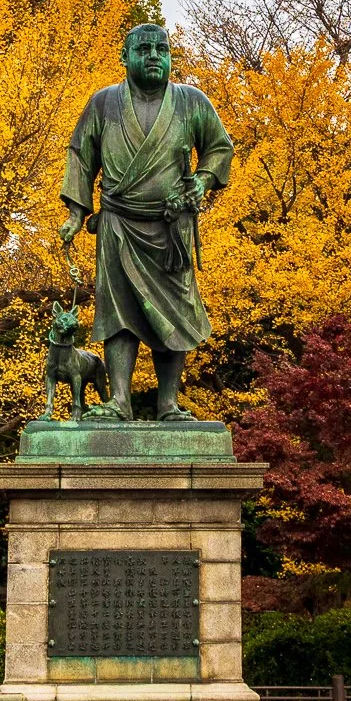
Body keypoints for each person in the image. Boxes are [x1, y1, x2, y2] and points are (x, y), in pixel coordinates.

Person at [57, 23, 234, 420]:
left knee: (176, 311)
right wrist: (75, 213)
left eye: (161, 49)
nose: (154, 55)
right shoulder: (103, 104)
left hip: (171, 228)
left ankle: (168, 403)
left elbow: (220, 148)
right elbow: (81, 156)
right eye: (143, 49)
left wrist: (202, 183)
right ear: (124, 57)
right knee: (117, 310)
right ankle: (118, 401)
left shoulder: (192, 102)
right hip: (118, 223)